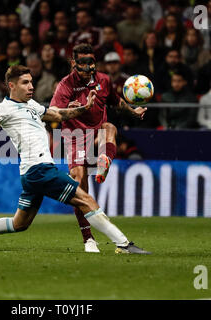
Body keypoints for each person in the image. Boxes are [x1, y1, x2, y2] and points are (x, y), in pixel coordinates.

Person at [0, 66, 151, 256]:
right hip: (39, 170)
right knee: (86, 200)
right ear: (11, 86)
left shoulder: (31, 104)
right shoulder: (3, 108)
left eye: (32, 82)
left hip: (33, 173)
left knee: (19, 223)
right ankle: (123, 244)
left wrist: (85, 107)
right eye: (25, 82)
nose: (31, 86)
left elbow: (57, 115)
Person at [50, 43, 147, 253]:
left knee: (109, 127)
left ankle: (104, 162)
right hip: (75, 140)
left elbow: (116, 101)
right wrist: (69, 109)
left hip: (96, 137)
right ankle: (89, 240)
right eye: (83, 62)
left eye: (91, 62)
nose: (88, 67)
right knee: (80, 190)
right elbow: (52, 111)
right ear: (73, 63)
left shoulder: (104, 80)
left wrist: (133, 112)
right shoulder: (65, 85)